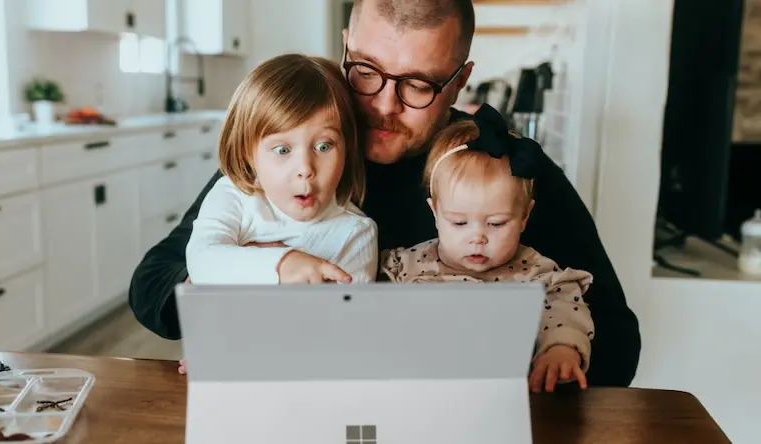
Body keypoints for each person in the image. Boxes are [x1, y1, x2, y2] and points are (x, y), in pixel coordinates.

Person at [129, 0, 641, 387]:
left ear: (460, 80)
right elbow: (151, 287)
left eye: (417, 84)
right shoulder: (294, 152)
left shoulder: (500, 168)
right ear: (347, 46)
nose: (383, 106)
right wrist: (249, 272)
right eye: (366, 72)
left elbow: (618, 338)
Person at [379, 105, 595, 393]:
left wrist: (561, 350)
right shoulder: (403, 267)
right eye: (458, 222)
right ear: (435, 212)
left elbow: (564, 311)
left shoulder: (538, 276)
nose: (477, 237)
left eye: (495, 223)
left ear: (524, 217)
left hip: (503, 402)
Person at [185, 53, 377, 287]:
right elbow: (201, 260)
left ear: (346, 149)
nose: (305, 169)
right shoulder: (233, 196)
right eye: (283, 150)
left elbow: (347, 318)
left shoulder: (355, 233)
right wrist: (283, 264)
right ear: (248, 153)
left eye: (323, 146)